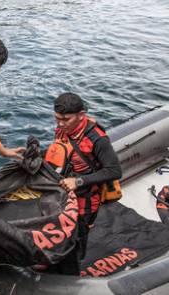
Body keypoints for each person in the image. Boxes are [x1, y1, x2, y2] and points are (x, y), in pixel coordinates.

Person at [44, 92, 122, 275]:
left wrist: (78, 181)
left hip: (86, 199)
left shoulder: (97, 139)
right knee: (58, 230)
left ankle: (72, 272)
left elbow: (114, 171)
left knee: (76, 237)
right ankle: (54, 261)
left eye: (66, 119)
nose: (60, 124)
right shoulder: (62, 129)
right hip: (62, 193)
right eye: (57, 119)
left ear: (81, 115)